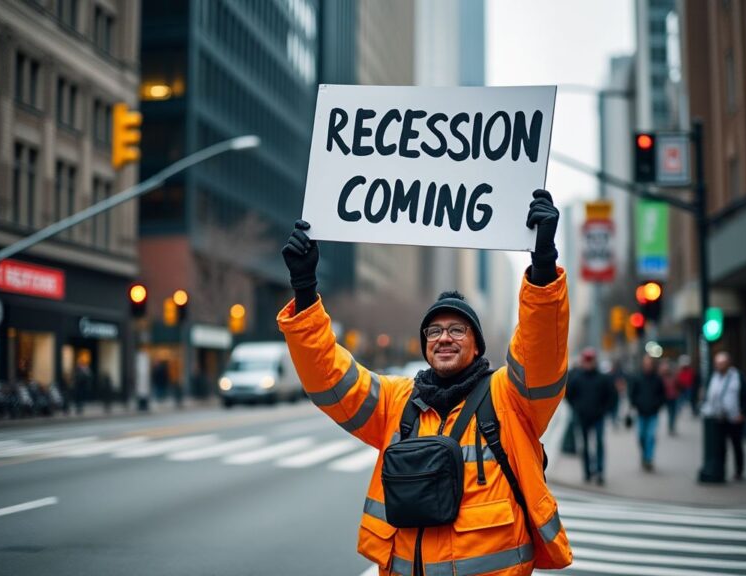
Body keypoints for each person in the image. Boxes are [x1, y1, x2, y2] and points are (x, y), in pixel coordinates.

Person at [278, 190, 572, 574]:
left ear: (477, 344)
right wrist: (304, 291)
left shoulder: (509, 396)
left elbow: (540, 352)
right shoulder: (398, 400)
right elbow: (329, 377)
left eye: (456, 330)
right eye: (433, 331)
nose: (443, 338)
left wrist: (544, 266)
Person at [565, 348, 617, 484]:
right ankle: (587, 472)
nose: (588, 364)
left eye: (591, 361)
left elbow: (611, 396)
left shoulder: (603, 378)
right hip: (583, 416)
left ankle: (599, 471)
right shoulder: (577, 378)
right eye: (586, 361)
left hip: (598, 416)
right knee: (585, 445)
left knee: (599, 443)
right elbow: (568, 394)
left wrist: (604, 410)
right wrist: (577, 408)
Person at [699, 351, 746, 480]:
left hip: (734, 418)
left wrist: (743, 413)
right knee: (720, 446)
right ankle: (721, 471)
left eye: (722, 363)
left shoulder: (738, 377)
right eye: (718, 363)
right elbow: (709, 396)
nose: (720, 366)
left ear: (728, 363)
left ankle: (739, 470)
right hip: (718, 418)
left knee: (736, 445)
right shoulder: (714, 377)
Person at [629, 354, 666, 471]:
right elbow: (632, 393)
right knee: (641, 436)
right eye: (646, 364)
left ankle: (648, 458)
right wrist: (635, 404)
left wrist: (658, 404)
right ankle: (644, 454)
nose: (647, 366)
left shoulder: (657, 379)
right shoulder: (637, 378)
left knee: (650, 436)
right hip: (640, 412)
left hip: (653, 413)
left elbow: (662, 394)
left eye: (649, 364)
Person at [658, 359, 680, 435]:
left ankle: (672, 426)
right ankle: (671, 427)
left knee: (673, 413)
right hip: (667, 397)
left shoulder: (673, 375)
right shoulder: (661, 377)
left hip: (674, 396)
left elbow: (678, 384)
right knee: (670, 412)